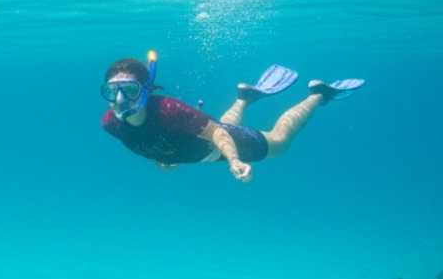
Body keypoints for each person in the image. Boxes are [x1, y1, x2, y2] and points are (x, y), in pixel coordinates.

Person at [100, 51, 363, 182]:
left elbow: (216, 132)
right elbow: (141, 138)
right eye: (112, 91)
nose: (120, 101)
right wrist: (157, 159)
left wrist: (233, 159)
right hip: (204, 146)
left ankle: (318, 95)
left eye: (130, 91)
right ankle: (244, 97)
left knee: (280, 142)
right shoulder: (110, 124)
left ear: (147, 92)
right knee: (226, 125)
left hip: (221, 147)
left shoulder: (169, 110)